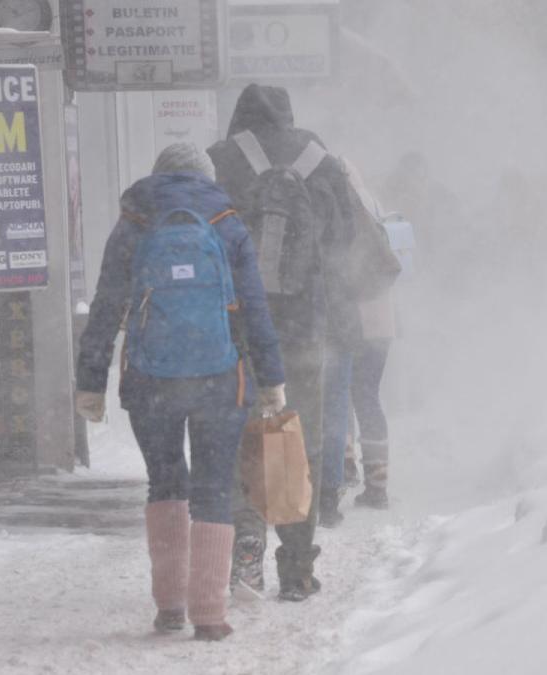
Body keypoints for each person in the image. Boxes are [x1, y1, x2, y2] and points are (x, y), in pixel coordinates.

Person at [74, 143, 286, 641]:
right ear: (205, 178)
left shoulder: (134, 220)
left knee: (165, 483)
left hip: (150, 378)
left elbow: (107, 305)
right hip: (220, 377)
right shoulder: (228, 222)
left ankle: (169, 606)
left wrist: (90, 380)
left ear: (160, 176)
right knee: (213, 489)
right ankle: (209, 614)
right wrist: (272, 377)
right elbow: (255, 308)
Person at [208, 84, 365, 601]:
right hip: (304, 325)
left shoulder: (222, 159)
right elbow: (347, 242)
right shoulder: (319, 158)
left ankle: (246, 544)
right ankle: (297, 566)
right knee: (300, 440)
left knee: (241, 433)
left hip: (237, 328)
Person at [319, 160, 397, 525]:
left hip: (352, 314)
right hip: (382, 318)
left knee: (339, 392)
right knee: (368, 395)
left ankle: (345, 467)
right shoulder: (376, 206)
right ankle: (378, 484)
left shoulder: (337, 208)